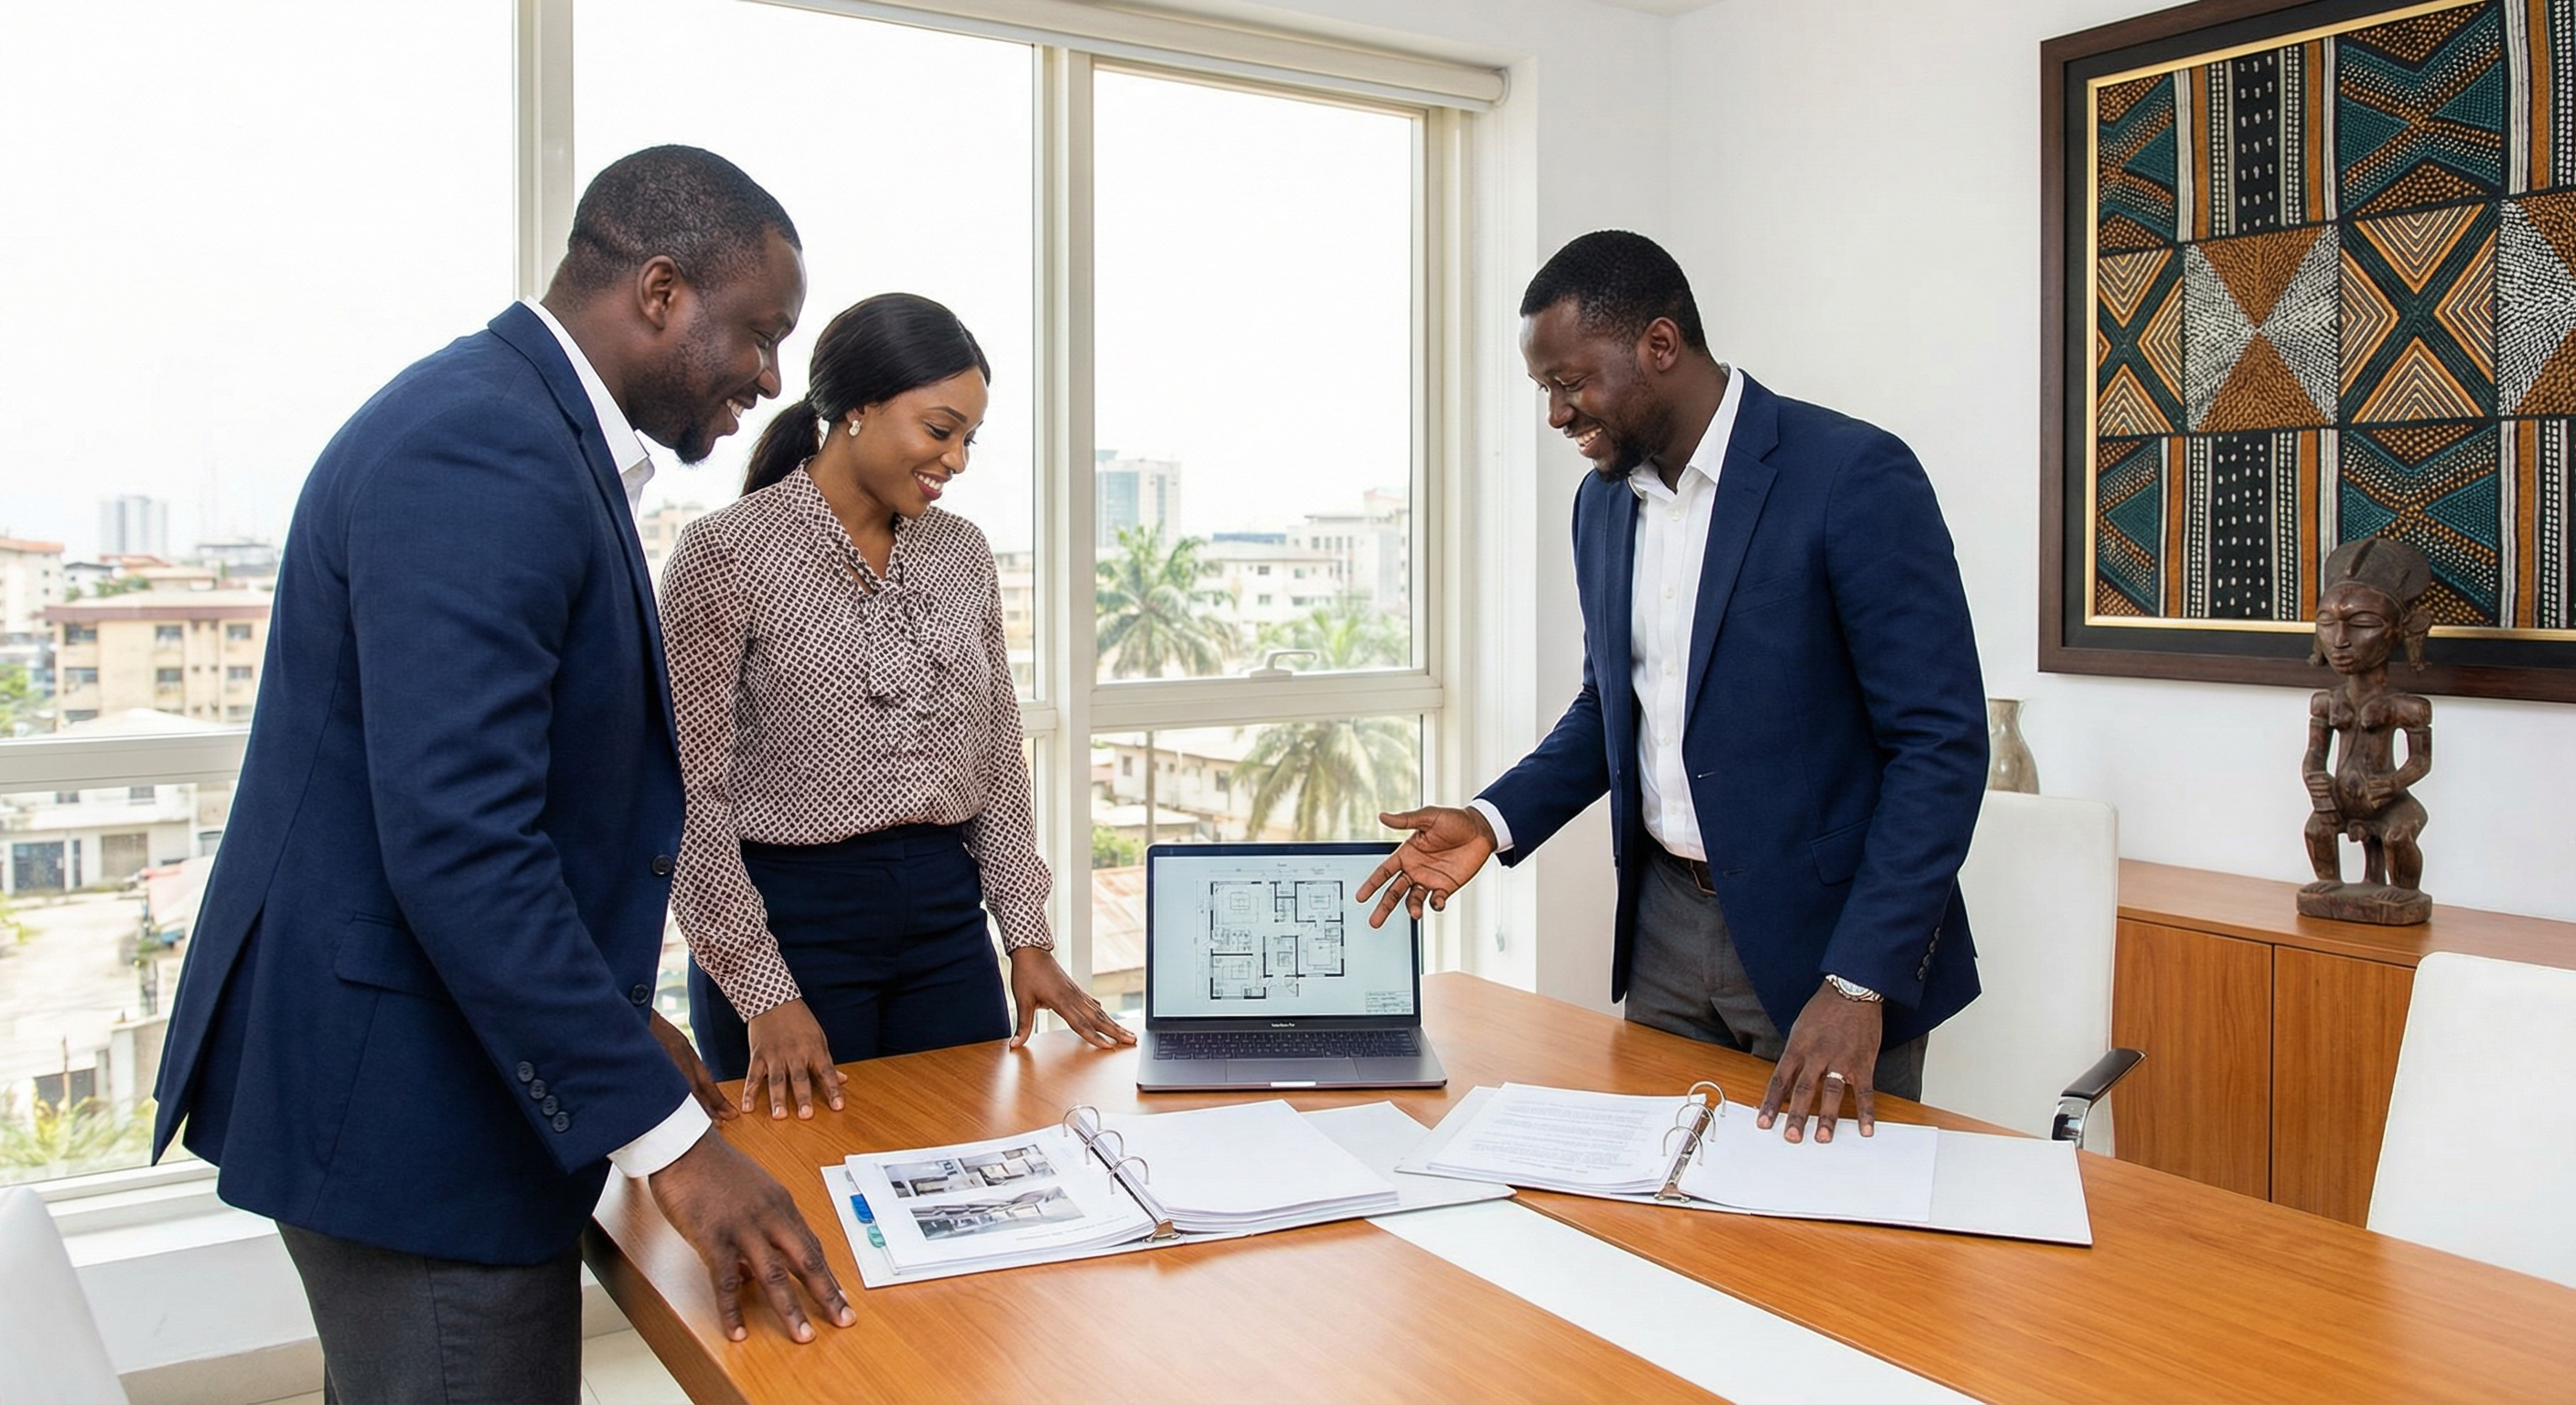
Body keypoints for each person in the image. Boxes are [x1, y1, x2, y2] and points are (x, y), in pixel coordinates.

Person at [150, 145, 853, 1403]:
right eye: (759, 333)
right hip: (412, 1113)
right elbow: (466, 843)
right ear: (657, 292)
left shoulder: (511, 424)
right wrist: (677, 1148)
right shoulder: (484, 450)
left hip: (426, 1071)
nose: (771, 377)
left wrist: (617, 1027)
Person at [1359, 231, 1989, 1143]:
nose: (1556, 417)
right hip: (1662, 930)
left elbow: (1938, 746)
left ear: (1659, 345)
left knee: (1833, 1255)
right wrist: (1491, 821)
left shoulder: (1849, 476)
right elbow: (1610, 708)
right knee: (1664, 1219)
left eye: (1569, 384)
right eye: (1545, 391)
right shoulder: (1602, 502)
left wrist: (1860, 980)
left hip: (1826, 944)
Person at [661, 293, 1132, 1122]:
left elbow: (993, 765)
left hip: (946, 930)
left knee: (979, 1178)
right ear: (857, 409)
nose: (954, 459)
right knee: (812, 1204)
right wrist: (765, 994)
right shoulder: (725, 554)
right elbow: (688, 800)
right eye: (939, 430)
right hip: (790, 927)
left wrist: (1027, 939)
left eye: (967, 440)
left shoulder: (962, 553)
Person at [2301, 537, 2434, 898]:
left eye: (2362, 623)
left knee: (2398, 835)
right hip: (2342, 799)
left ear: (2406, 629)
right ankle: (2329, 879)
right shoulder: (2325, 703)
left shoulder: (2409, 707)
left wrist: (2393, 784)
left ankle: (2404, 891)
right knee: (2316, 830)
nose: (2340, 640)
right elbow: (2315, 754)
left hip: (2392, 802)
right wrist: (2315, 778)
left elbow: (2421, 760)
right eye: (2327, 622)